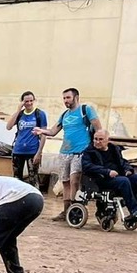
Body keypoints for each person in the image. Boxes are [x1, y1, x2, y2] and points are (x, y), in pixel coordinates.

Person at [32, 86, 101, 219]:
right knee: (65, 181)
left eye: (68, 97)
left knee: (75, 180)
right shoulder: (64, 115)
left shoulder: (85, 110)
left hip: (80, 151)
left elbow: (98, 128)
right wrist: (41, 131)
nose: (65, 100)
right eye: (64, 98)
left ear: (76, 97)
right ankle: (66, 210)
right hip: (64, 152)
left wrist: (98, 145)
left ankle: (74, 209)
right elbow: (53, 131)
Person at [82, 129, 137, 218]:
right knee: (124, 181)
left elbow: (122, 161)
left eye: (101, 139)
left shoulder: (114, 149)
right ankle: (134, 210)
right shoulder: (89, 152)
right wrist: (107, 172)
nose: (97, 142)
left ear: (107, 140)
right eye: (95, 139)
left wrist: (128, 170)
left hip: (118, 177)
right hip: (101, 179)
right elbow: (87, 166)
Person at [6, 90, 47, 181]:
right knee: (16, 179)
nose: (29, 103)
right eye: (26, 101)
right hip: (18, 150)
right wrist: (18, 110)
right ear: (22, 102)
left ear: (34, 100)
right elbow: (8, 127)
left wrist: (39, 152)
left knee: (33, 179)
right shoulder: (20, 114)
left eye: (31, 101)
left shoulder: (39, 114)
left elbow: (44, 135)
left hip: (32, 151)